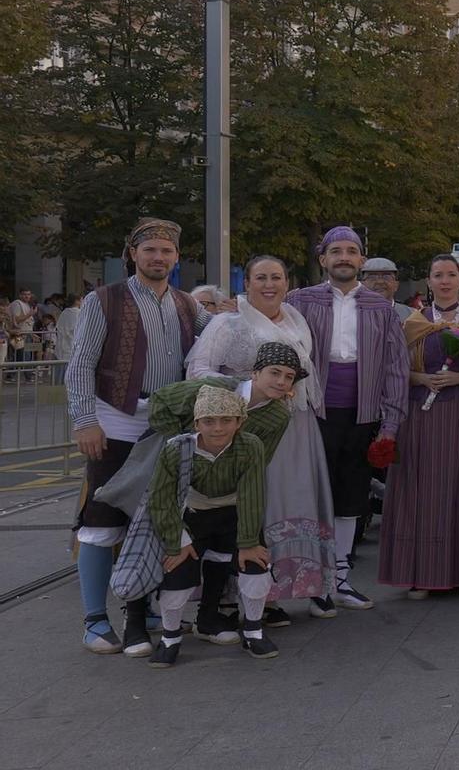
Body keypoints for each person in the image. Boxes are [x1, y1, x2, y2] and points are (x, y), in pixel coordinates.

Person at [66, 217, 208, 655]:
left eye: (166, 251)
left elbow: (221, 343)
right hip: (116, 419)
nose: (158, 257)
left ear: (177, 257)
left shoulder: (187, 305)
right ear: (132, 253)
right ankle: (94, 621)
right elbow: (81, 365)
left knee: (155, 518)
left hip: (168, 422)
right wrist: (84, 420)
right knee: (102, 519)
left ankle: (143, 607)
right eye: (149, 250)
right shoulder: (103, 300)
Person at [184, 256, 339, 618]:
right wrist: (248, 388)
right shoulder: (228, 322)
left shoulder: (295, 318)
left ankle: (295, 584)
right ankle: (246, 594)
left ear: (287, 283)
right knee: (253, 504)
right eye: (261, 278)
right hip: (247, 423)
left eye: (277, 277)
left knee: (295, 501)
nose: (269, 284)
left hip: (296, 423)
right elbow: (198, 370)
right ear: (247, 284)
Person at [285, 226, 408, 612]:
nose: (343, 257)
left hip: (361, 413)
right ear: (322, 259)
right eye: (335, 251)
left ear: (361, 260)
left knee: (351, 497)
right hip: (312, 412)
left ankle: (339, 577)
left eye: (351, 251)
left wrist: (389, 425)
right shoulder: (299, 301)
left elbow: (396, 368)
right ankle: (315, 581)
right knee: (315, 494)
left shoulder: (380, 308)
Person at [376, 255, 459, 599]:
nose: (445, 281)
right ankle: (422, 572)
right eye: (438, 275)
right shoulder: (411, 323)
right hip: (422, 417)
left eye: (451, 275)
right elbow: (396, 370)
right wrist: (420, 377)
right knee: (423, 492)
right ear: (428, 281)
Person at [139, 386, 278, 667]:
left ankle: (253, 630)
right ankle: (170, 637)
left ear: (240, 421)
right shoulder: (176, 449)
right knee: (177, 570)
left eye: (227, 420)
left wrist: (250, 541)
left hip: (233, 514)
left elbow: (253, 493)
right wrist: (176, 540)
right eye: (209, 421)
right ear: (196, 423)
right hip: (191, 517)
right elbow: (161, 497)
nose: (218, 428)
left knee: (256, 564)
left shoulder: (250, 446)